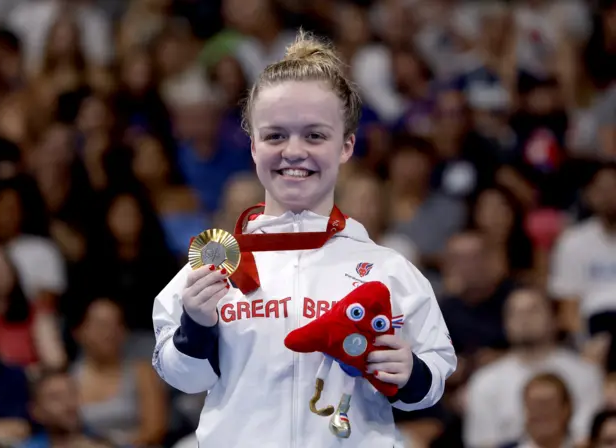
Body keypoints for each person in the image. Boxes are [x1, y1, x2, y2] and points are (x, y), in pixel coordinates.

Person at [152, 30, 456, 447]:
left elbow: (431, 379)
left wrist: (410, 373)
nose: (294, 151)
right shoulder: (211, 267)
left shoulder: (388, 270)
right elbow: (186, 378)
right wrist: (195, 326)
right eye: (275, 135)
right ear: (254, 145)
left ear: (346, 145)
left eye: (315, 135)